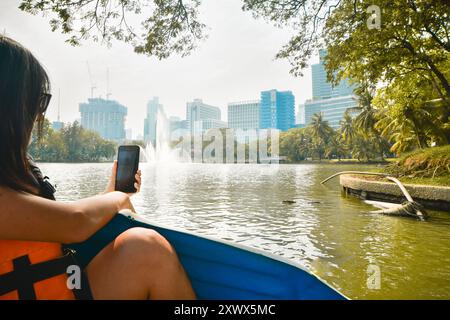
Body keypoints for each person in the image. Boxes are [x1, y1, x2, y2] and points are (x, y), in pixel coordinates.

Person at [0, 35, 196, 300]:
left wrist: (109, 192)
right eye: (38, 101)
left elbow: (52, 219)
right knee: (148, 247)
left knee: (145, 248)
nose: (38, 115)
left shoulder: (16, 171)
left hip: (63, 288)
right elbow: (74, 222)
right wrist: (119, 197)